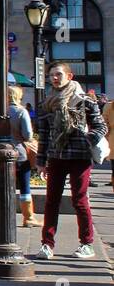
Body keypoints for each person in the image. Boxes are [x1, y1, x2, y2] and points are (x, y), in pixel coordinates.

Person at [34, 64, 107, 259]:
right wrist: (41, 161)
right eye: (51, 75)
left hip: (79, 157)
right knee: (51, 201)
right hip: (56, 157)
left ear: (69, 76)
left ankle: (87, 243)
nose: (54, 78)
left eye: (58, 74)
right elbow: (44, 135)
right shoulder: (46, 104)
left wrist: (87, 139)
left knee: (80, 200)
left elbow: (101, 127)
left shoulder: (84, 101)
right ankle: (47, 244)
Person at [0, 84, 37, 229]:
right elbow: (28, 135)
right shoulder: (21, 111)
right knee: (24, 186)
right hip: (19, 154)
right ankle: (28, 217)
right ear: (18, 96)